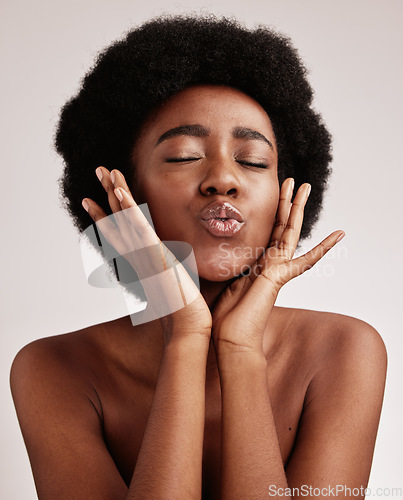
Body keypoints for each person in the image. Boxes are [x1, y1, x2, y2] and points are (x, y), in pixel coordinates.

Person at [10, 14, 387, 500]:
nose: (223, 180)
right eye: (185, 156)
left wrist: (241, 351)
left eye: (252, 161)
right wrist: (185, 336)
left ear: (283, 193)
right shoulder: (53, 369)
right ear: (121, 191)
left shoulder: (344, 351)